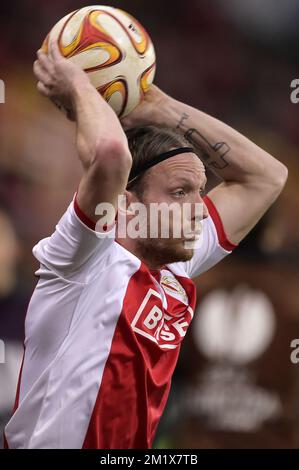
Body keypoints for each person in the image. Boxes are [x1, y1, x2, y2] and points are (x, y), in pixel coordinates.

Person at [4, 41, 288, 449]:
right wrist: (80, 83)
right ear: (127, 204)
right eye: (179, 192)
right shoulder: (84, 256)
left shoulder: (175, 266)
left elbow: (268, 178)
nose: (197, 209)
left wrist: (159, 105)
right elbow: (110, 152)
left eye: (200, 191)